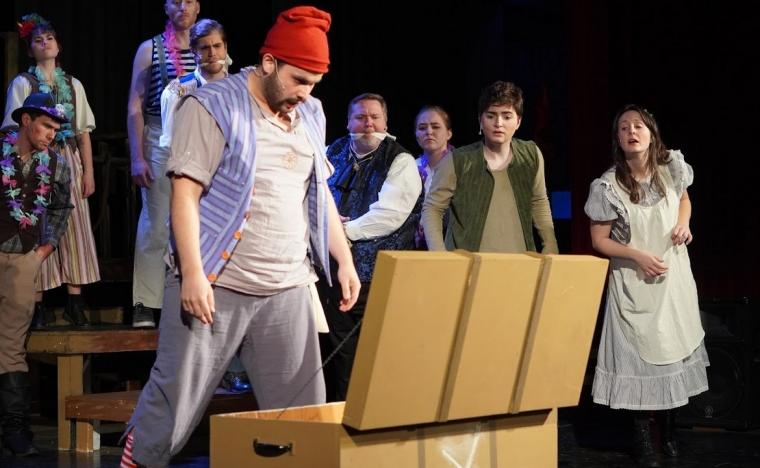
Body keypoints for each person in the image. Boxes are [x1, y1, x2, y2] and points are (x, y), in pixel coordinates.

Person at [120, 7, 360, 466]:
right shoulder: (212, 104)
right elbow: (184, 194)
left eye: (313, 83)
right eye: (298, 81)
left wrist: (343, 259)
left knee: (301, 416)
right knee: (174, 402)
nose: (305, 94)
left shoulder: (311, 112)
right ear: (268, 62)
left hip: (287, 284)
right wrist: (192, 274)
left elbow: (319, 190)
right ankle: (140, 456)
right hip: (217, 278)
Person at [585, 104, 708, 467]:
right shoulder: (608, 186)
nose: (632, 132)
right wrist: (636, 256)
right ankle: (643, 441)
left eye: (638, 126)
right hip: (634, 282)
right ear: (618, 140)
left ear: (651, 134)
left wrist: (684, 225)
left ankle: (669, 431)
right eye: (624, 128)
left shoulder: (671, 169)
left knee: (673, 351)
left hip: (673, 279)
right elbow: (598, 240)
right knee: (639, 363)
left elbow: (684, 199)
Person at [160, 17, 251, 394]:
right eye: (203, 48)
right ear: (193, 52)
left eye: (217, 46)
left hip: (233, 190)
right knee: (197, 270)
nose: (212, 54)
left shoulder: (243, 88)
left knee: (234, 277)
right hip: (195, 186)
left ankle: (233, 367)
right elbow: (170, 143)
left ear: (225, 47)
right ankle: (195, 371)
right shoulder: (178, 91)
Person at [318, 93, 422, 401]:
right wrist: (325, 221)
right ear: (349, 121)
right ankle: (339, 418)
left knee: (376, 353)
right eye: (361, 117)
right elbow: (313, 193)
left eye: (374, 117)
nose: (368, 123)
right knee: (339, 355)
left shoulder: (400, 160)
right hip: (334, 273)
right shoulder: (332, 151)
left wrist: (341, 231)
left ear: (386, 122)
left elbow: (388, 215)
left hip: (378, 275)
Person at [2, 14, 99, 328]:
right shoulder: (23, 83)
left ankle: (75, 300)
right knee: (39, 223)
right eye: (38, 40)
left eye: (50, 39)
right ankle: (39, 304)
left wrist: (88, 172)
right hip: (38, 157)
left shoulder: (73, 84)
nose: (45, 44)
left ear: (58, 45)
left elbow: (83, 132)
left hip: (67, 156)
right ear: (30, 50)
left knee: (75, 225)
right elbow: (12, 127)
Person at [0, 93, 72, 456]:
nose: (51, 135)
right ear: (26, 120)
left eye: (56, 130)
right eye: (46, 127)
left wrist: (46, 248)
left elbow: (62, 206)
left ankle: (14, 430)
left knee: (11, 346)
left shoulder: (57, 162)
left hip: (24, 257)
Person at [421, 81, 558, 254]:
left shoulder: (531, 154)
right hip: (468, 264)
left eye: (507, 116)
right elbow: (432, 209)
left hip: (519, 263)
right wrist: (439, 254)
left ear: (518, 122)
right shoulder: (458, 160)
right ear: (480, 120)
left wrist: (550, 246)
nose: (498, 123)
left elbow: (539, 201)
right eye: (491, 115)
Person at [128, 0, 199, 328]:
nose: (182, 6)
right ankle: (145, 302)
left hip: (199, 139)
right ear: (166, 7)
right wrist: (138, 156)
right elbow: (135, 106)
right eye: (176, 0)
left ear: (197, 7)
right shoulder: (150, 49)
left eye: (189, 0)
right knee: (156, 222)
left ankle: (189, 296)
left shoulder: (206, 47)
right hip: (160, 136)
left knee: (197, 223)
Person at [414, 104, 453, 249]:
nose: (429, 132)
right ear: (416, 135)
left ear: (449, 133)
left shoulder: (460, 166)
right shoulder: (410, 167)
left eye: (435, 127)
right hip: (416, 247)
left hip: (450, 244)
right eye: (422, 128)